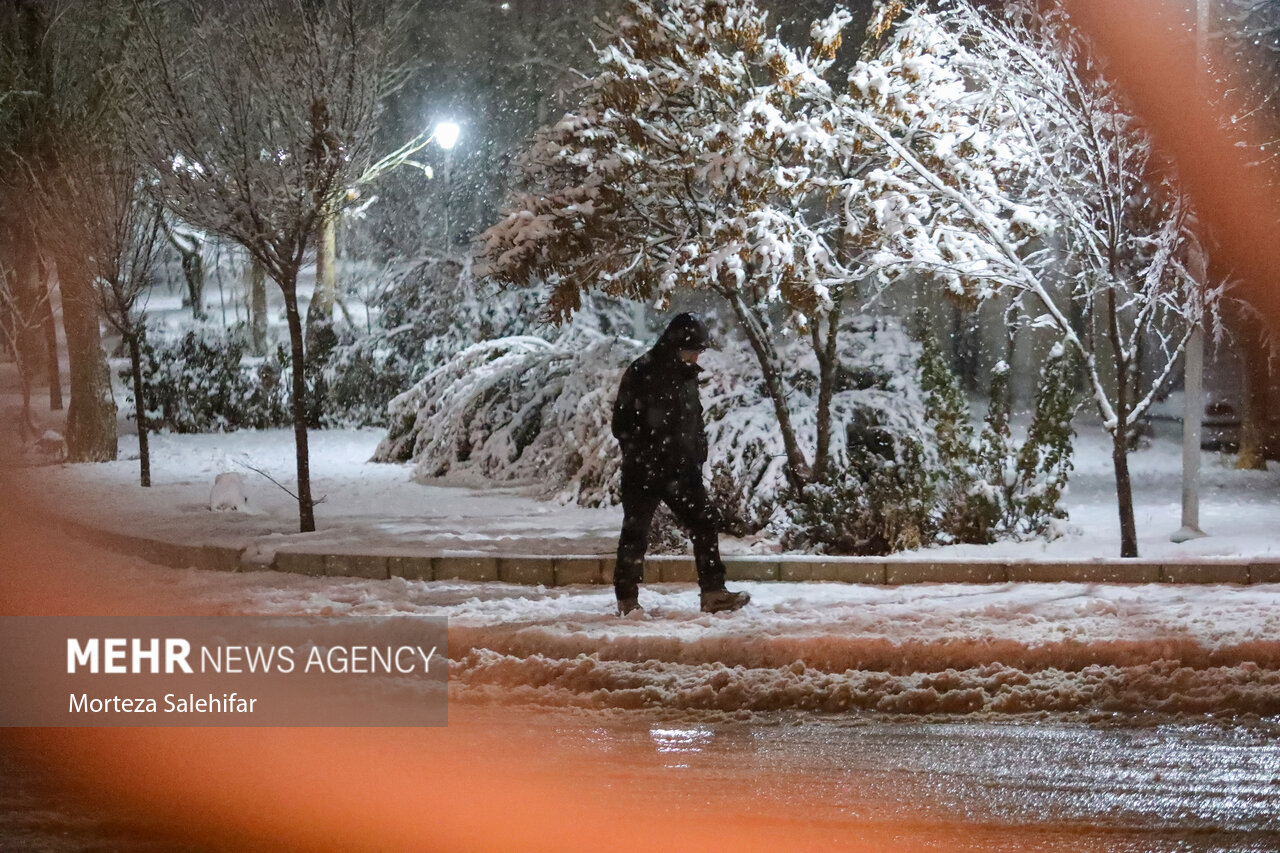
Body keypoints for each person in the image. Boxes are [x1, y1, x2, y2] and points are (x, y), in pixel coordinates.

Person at [610, 312, 751, 616]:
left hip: (681, 471)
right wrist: (647, 454)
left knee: (705, 521)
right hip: (644, 471)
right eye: (693, 350)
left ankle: (713, 592)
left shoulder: (686, 375)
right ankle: (627, 600)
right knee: (636, 532)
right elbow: (621, 425)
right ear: (676, 346)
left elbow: (692, 420)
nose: (697, 356)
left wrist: (697, 454)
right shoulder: (642, 371)